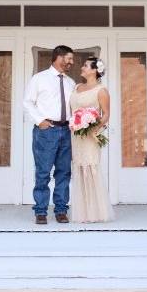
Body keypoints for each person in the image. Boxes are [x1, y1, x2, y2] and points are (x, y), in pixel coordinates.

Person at [23, 45, 75, 224]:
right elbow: (28, 102)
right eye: (69, 58)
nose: (71, 62)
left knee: (64, 172)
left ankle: (61, 210)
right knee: (43, 172)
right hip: (46, 131)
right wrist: (40, 121)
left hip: (66, 131)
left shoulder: (70, 82)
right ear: (59, 57)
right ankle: (41, 211)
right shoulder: (39, 79)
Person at [69, 57, 114, 223]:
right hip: (75, 136)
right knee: (79, 169)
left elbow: (106, 114)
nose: (82, 67)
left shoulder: (101, 91)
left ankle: (94, 213)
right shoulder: (77, 87)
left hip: (89, 137)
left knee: (90, 169)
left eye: (86, 65)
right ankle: (82, 212)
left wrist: (91, 127)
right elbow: (73, 111)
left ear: (95, 70)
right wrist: (76, 124)